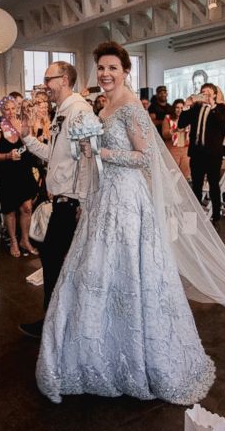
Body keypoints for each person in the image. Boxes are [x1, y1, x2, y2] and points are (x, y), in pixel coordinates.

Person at [35, 41, 215, 405]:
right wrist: (88, 150)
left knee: (129, 271)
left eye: (112, 68)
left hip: (129, 200)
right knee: (95, 271)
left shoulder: (131, 107)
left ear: (125, 71)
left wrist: (101, 150)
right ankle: (97, 350)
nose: (105, 74)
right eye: (101, 67)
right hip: (104, 198)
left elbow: (145, 157)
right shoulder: (104, 106)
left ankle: (136, 354)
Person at [18, 60, 92, 338]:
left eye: (48, 79)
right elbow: (55, 155)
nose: (44, 85)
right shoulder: (63, 111)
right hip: (62, 200)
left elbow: (89, 159)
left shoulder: (80, 111)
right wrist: (27, 138)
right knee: (55, 260)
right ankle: (56, 320)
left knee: (55, 259)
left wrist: (83, 201)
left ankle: (56, 323)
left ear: (64, 79)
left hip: (72, 203)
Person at [0, 96, 38, 258]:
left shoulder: (22, 124)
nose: (10, 112)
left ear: (17, 108)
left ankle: (25, 240)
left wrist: (22, 129)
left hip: (23, 171)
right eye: (6, 109)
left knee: (27, 207)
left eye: (12, 108)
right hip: (6, 173)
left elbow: (30, 146)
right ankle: (14, 241)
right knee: (9, 210)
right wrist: (8, 156)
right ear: (1, 111)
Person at [178, 82, 225, 223]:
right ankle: (196, 215)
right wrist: (187, 105)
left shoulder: (222, 108)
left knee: (213, 184)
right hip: (196, 152)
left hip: (213, 154)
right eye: (202, 91)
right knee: (196, 185)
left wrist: (212, 105)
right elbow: (181, 123)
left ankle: (216, 217)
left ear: (214, 94)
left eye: (207, 91)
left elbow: (222, 123)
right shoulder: (196, 108)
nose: (204, 93)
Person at [163, 98, 191, 180]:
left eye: (182, 108)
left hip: (185, 150)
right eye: (177, 107)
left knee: (185, 177)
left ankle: (182, 193)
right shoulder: (168, 118)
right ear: (174, 108)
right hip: (172, 149)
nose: (179, 110)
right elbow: (164, 134)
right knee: (172, 176)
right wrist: (175, 130)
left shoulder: (189, 119)